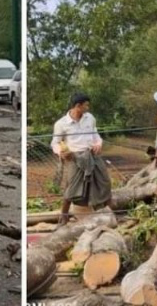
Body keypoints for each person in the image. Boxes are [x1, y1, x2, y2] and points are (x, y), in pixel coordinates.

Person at [51, 93, 111, 225]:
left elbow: (96, 135)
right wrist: (60, 152)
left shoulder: (90, 118)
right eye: (86, 105)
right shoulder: (61, 124)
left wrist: (98, 144)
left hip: (92, 155)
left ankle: (110, 214)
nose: (88, 108)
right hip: (75, 157)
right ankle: (64, 217)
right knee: (71, 188)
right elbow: (55, 143)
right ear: (78, 106)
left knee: (104, 183)